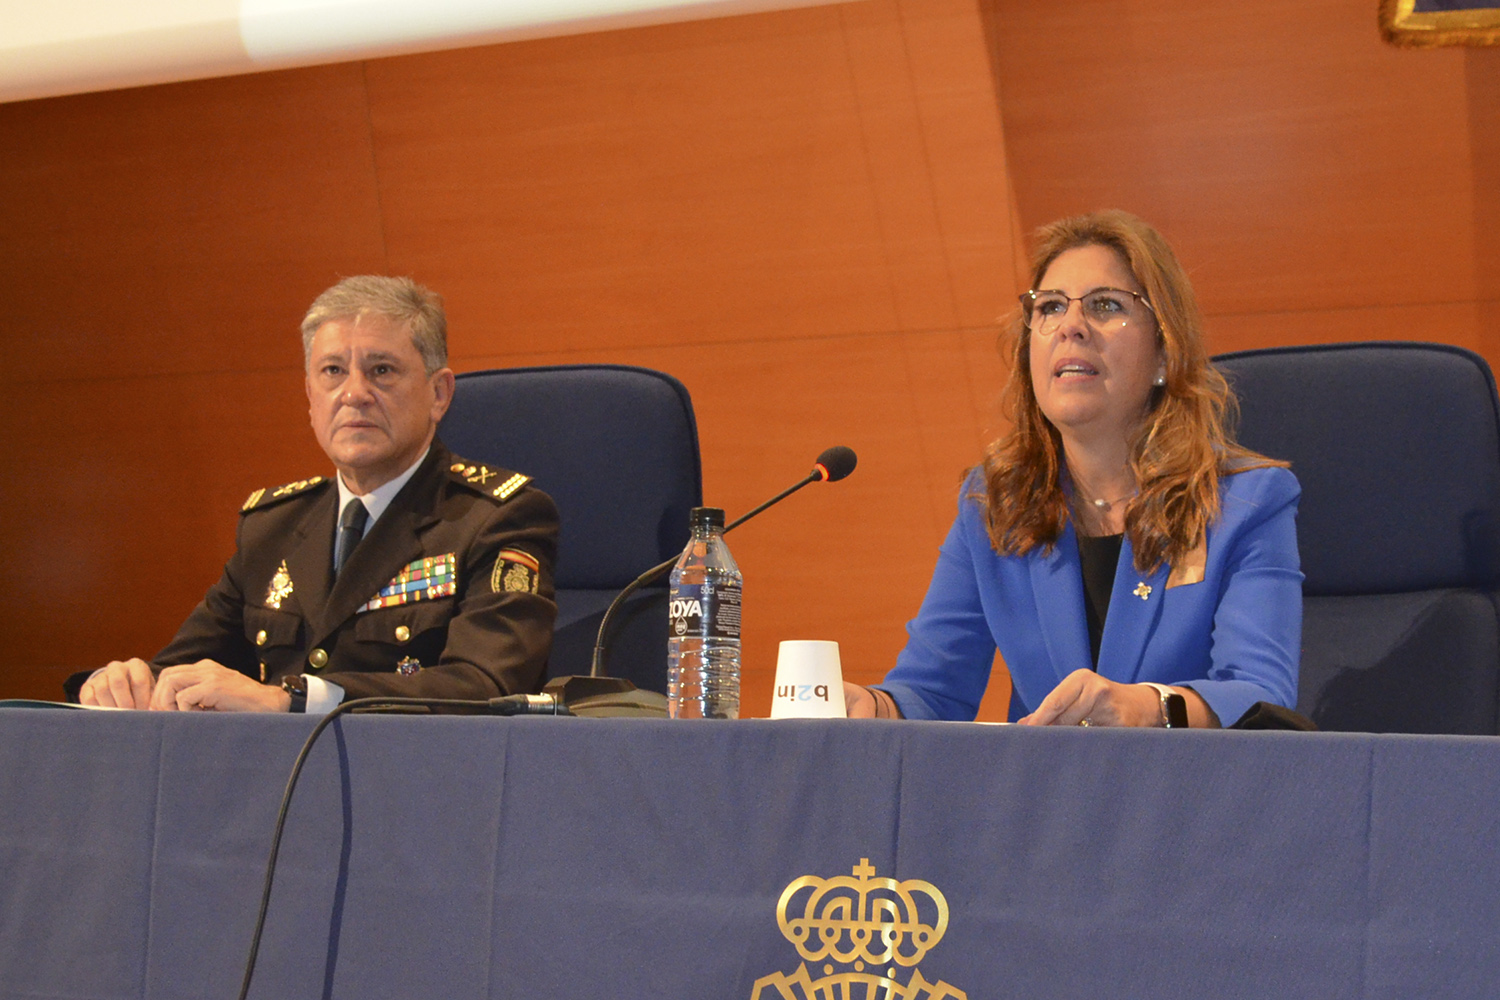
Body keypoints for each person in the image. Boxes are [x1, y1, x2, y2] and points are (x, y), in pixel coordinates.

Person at [846, 210, 1301, 727]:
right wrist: (870, 706)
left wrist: (1147, 707)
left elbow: (1260, 697)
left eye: (1106, 306)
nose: (1071, 327)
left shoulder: (1243, 502)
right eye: (1052, 308)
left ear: (1163, 354)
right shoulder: (995, 504)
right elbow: (933, 691)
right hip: (1047, 800)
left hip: (1190, 799)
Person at [73, 276, 559, 712]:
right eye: (332, 371)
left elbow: (486, 685)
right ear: (310, 396)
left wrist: (296, 700)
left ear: (438, 395)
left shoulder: (497, 517)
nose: (354, 393)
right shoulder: (273, 526)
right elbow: (188, 666)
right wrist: (122, 685)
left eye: (382, 370)